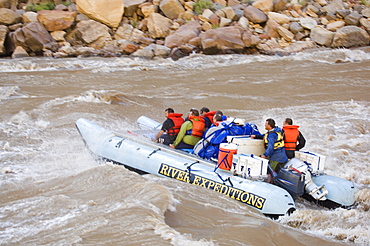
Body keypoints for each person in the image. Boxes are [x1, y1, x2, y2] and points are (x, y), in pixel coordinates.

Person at [251, 118, 288, 183]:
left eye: (266, 124)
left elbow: (271, 147)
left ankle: (268, 184)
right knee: (278, 172)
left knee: (269, 172)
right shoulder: (276, 131)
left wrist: (265, 155)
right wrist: (256, 136)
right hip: (282, 156)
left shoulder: (272, 135)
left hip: (276, 157)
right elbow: (265, 136)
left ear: (269, 126)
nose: (265, 126)